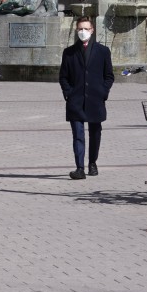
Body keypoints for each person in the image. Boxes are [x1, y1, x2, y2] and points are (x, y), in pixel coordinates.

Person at [59, 16, 114, 180]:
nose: (83, 32)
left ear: (92, 30)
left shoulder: (103, 51)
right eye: (80, 29)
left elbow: (109, 76)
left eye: (86, 29)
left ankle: (92, 163)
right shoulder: (69, 52)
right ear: (76, 30)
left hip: (96, 100)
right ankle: (79, 168)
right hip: (75, 100)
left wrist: (103, 92)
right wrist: (68, 92)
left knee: (95, 133)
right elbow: (63, 77)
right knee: (78, 134)